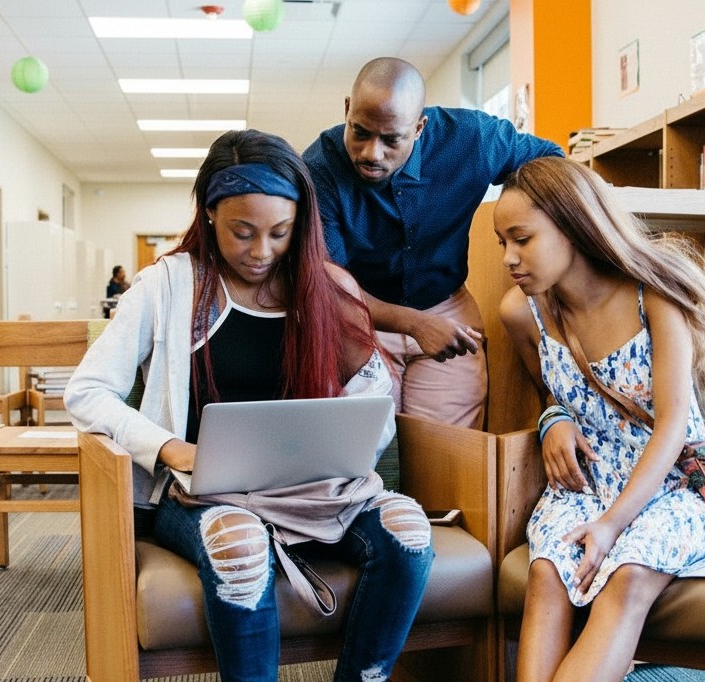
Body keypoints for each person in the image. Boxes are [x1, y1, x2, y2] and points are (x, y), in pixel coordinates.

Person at [65, 129, 434, 682]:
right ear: (210, 214)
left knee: (409, 532)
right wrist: (169, 447)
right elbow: (86, 391)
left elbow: (373, 396)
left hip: (314, 487)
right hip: (201, 493)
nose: (262, 252)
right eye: (243, 232)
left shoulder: (327, 286)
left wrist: (342, 446)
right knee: (238, 546)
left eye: (281, 233)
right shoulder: (166, 284)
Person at [493, 156, 705, 682]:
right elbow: (551, 393)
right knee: (546, 576)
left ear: (573, 226)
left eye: (522, 239)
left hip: (669, 484)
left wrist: (610, 525)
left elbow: (673, 425)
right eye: (501, 243)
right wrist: (552, 420)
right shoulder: (522, 312)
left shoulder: (656, 297)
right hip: (584, 483)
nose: (509, 258)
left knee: (624, 579)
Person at [303, 56, 563, 429]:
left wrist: (515, 227)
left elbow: (552, 161)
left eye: (391, 139)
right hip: (359, 317)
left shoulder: (471, 138)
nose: (370, 153)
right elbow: (328, 284)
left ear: (420, 127)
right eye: (359, 131)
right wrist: (414, 324)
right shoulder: (318, 168)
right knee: (366, 447)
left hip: (447, 309)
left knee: (451, 453)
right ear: (347, 109)